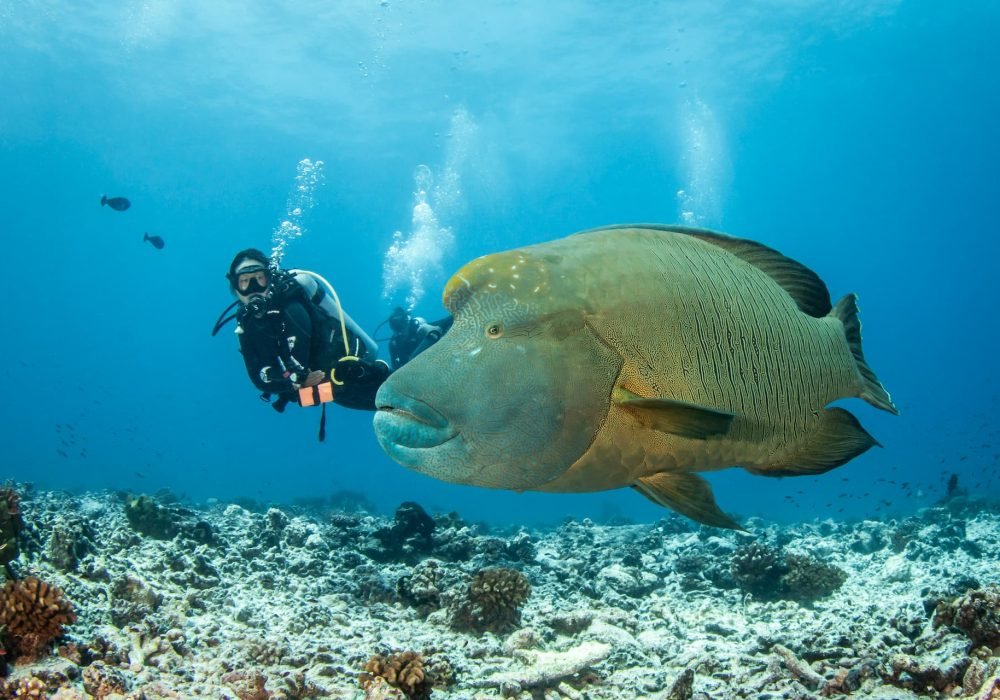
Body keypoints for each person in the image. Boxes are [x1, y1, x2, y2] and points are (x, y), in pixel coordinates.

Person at [216, 249, 450, 426]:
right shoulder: (246, 324)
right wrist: (295, 382)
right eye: (245, 282)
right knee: (404, 405)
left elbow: (298, 354)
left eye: (260, 279)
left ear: (270, 278)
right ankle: (414, 334)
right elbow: (259, 377)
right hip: (331, 390)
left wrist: (293, 378)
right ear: (235, 288)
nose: (254, 288)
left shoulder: (291, 305)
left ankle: (434, 332)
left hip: (351, 372)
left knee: (407, 397)